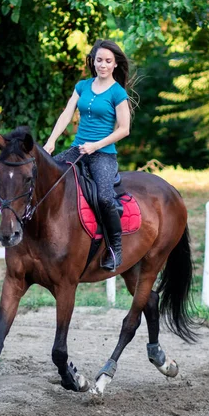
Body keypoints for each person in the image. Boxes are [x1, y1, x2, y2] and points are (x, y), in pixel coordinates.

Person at [43, 39, 132, 271]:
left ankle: (115, 248)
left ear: (114, 65)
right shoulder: (82, 86)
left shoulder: (117, 93)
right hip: (77, 149)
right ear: (93, 62)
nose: (102, 65)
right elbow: (66, 114)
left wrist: (96, 145)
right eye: (99, 60)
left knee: (104, 197)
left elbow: (124, 129)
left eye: (108, 61)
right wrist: (51, 142)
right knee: (45, 178)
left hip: (103, 154)